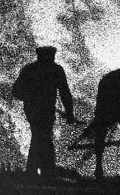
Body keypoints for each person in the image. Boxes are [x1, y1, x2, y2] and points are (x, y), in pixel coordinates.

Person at [12, 46, 75, 178]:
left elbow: (16, 91)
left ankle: (35, 171)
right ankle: (45, 172)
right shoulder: (56, 70)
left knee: (39, 137)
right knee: (43, 137)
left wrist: (30, 97)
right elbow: (65, 93)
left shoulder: (29, 69)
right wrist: (69, 113)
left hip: (33, 109)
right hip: (44, 110)